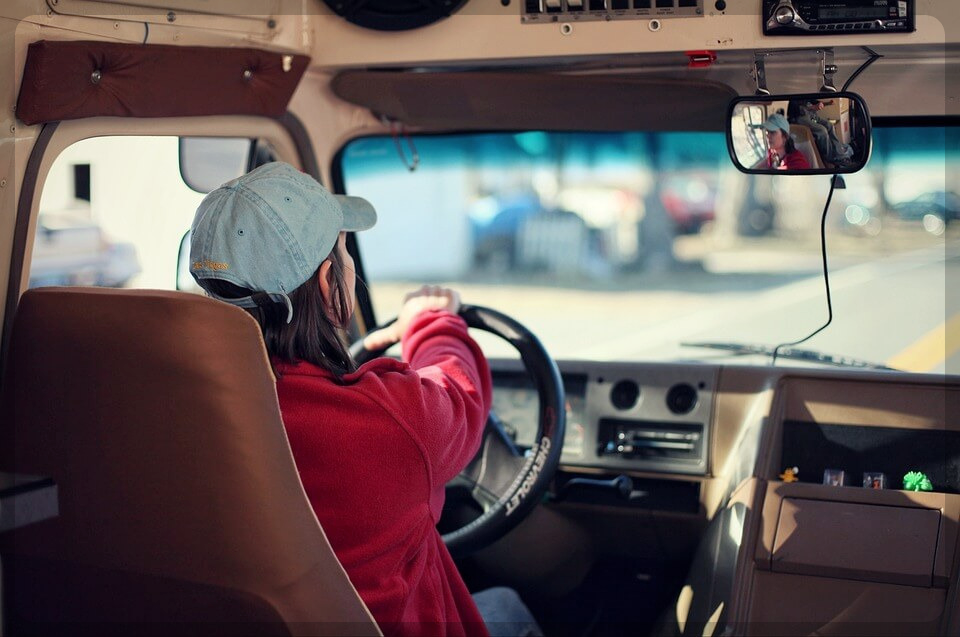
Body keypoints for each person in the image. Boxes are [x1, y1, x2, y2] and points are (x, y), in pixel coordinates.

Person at [189, 162, 542, 637]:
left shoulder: (178, 413)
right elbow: (459, 394)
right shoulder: (388, 421)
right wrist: (432, 323)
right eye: (344, 251)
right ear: (328, 282)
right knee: (510, 607)